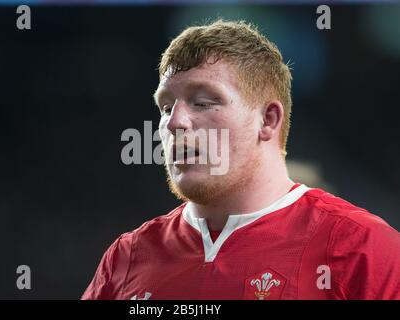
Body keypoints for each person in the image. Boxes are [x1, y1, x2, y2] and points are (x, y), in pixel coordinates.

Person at [82, 20, 399, 300]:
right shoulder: (126, 258)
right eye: (166, 107)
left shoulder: (364, 249)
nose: (174, 122)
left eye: (203, 102)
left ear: (268, 120)